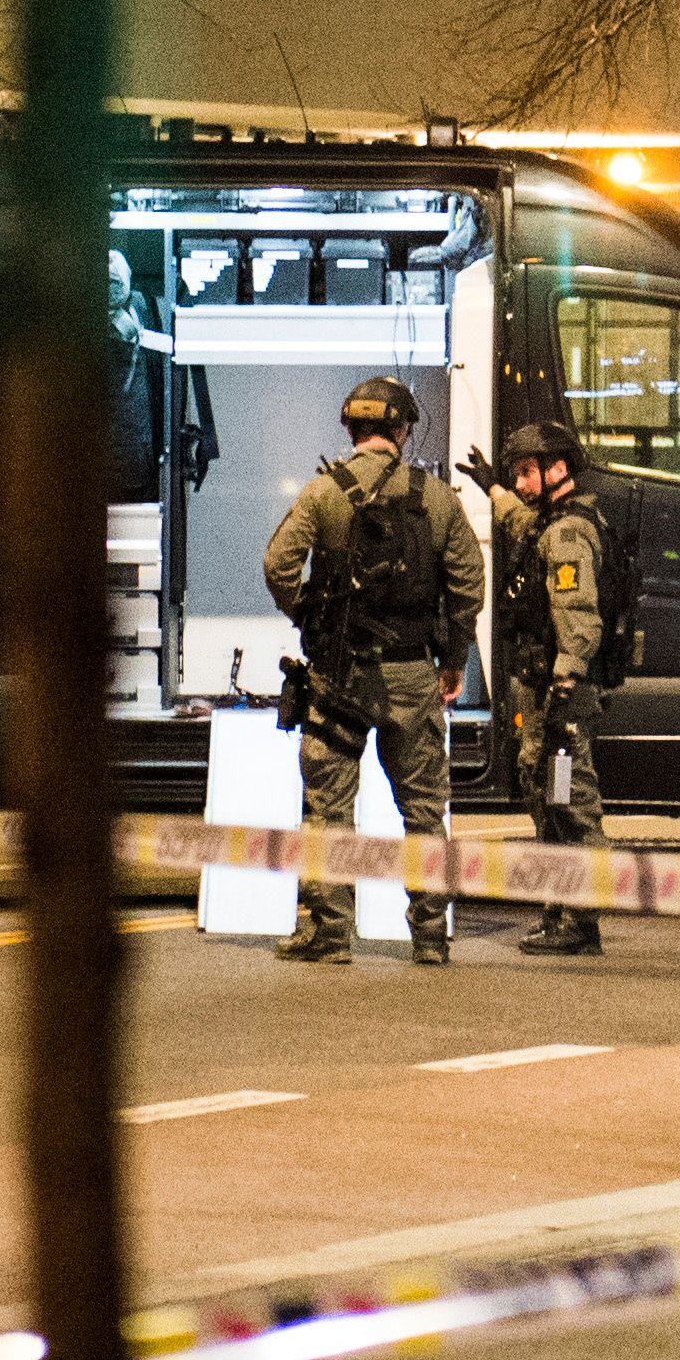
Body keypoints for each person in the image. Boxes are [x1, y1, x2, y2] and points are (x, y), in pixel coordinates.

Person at [259, 374, 480, 963]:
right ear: (403, 431)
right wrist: (452, 660)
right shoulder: (438, 498)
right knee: (424, 808)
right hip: (412, 674)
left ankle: (330, 933)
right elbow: (467, 586)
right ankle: (430, 937)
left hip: (340, 675)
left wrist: (309, 616)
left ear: (353, 428)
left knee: (330, 807)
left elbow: (278, 564)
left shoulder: (322, 493)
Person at [485, 420, 616, 957]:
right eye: (515, 474)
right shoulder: (553, 521)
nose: (520, 483)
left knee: (567, 800)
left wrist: (564, 683)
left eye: (526, 472)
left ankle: (581, 920)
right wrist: (493, 490)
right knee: (546, 793)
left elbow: (577, 614)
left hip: (560, 696)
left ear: (558, 468)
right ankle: (562, 911)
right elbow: (523, 523)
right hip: (547, 693)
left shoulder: (567, 534)